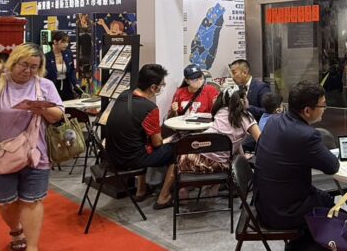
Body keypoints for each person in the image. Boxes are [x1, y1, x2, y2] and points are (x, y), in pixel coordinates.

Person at [0, 43, 64, 251]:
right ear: (13, 62)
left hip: (35, 152)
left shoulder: (45, 85)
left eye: (34, 67)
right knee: (7, 201)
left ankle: (32, 246)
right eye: (24, 64)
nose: (28, 70)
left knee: (32, 200)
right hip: (0, 153)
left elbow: (58, 115)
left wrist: (43, 110)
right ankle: (16, 230)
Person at [254, 80, 339, 251]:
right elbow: (332, 166)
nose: (325, 108)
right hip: (284, 213)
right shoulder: (306, 135)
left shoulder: (274, 121)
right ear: (307, 111)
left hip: (263, 204)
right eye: (323, 105)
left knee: (324, 197)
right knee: (334, 209)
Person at [103, 64, 176, 210]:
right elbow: (157, 143)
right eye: (162, 85)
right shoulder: (150, 108)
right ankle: (164, 197)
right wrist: (167, 140)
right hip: (130, 160)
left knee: (141, 142)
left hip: (110, 156)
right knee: (177, 151)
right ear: (153, 87)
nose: (162, 88)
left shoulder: (124, 95)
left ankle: (141, 190)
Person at [177, 86, 261, 201]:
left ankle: (184, 188)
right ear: (242, 100)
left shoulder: (220, 112)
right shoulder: (246, 117)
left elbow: (234, 139)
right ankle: (214, 188)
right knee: (225, 159)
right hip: (216, 165)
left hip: (189, 159)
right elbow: (261, 140)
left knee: (219, 150)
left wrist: (242, 157)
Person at [44, 31, 81, 101]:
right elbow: (44, 75)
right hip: (53, 86)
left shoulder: (68, 54)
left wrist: (76, 83)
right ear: (55, 42)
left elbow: (72, 70)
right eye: (63, 42)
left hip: (67, 85)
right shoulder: (46, 57)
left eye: (67, 42)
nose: (66, 44)